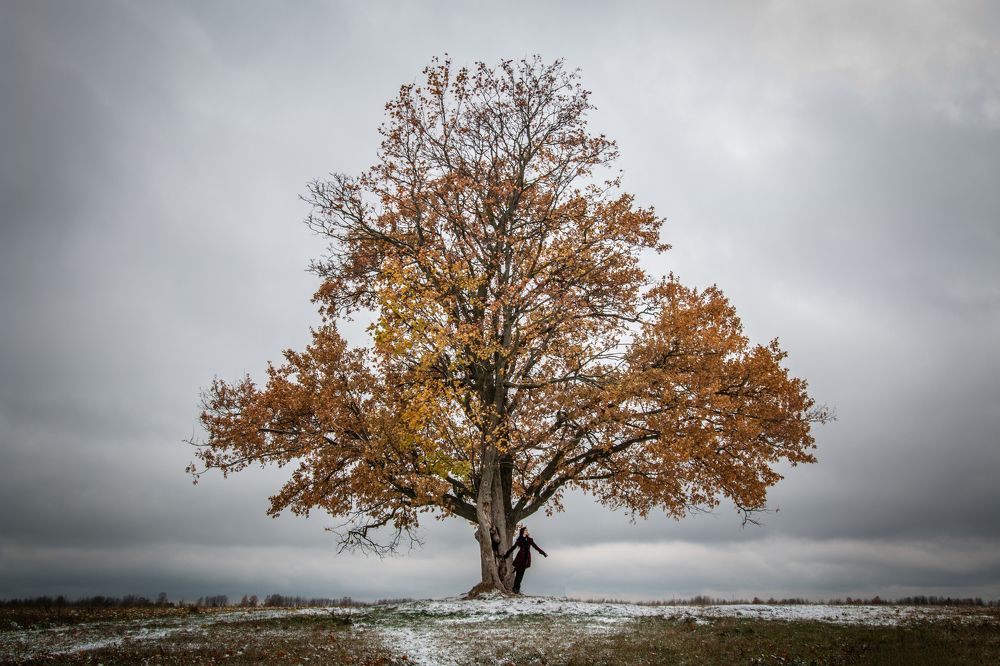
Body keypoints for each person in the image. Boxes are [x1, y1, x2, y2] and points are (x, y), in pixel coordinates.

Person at [502, 526, 547, 594]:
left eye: (527, 530)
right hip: (520, 557)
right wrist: (507, 554)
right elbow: (513, 547)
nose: (527, 531)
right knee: (518, 574)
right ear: (523, 531)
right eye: (525, 530)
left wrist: (543, 553)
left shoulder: (530, 540)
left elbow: (536, 547)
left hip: (526, 559)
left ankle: (517, 589)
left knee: (521, 574)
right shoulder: (519, 539)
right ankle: (515, 589)